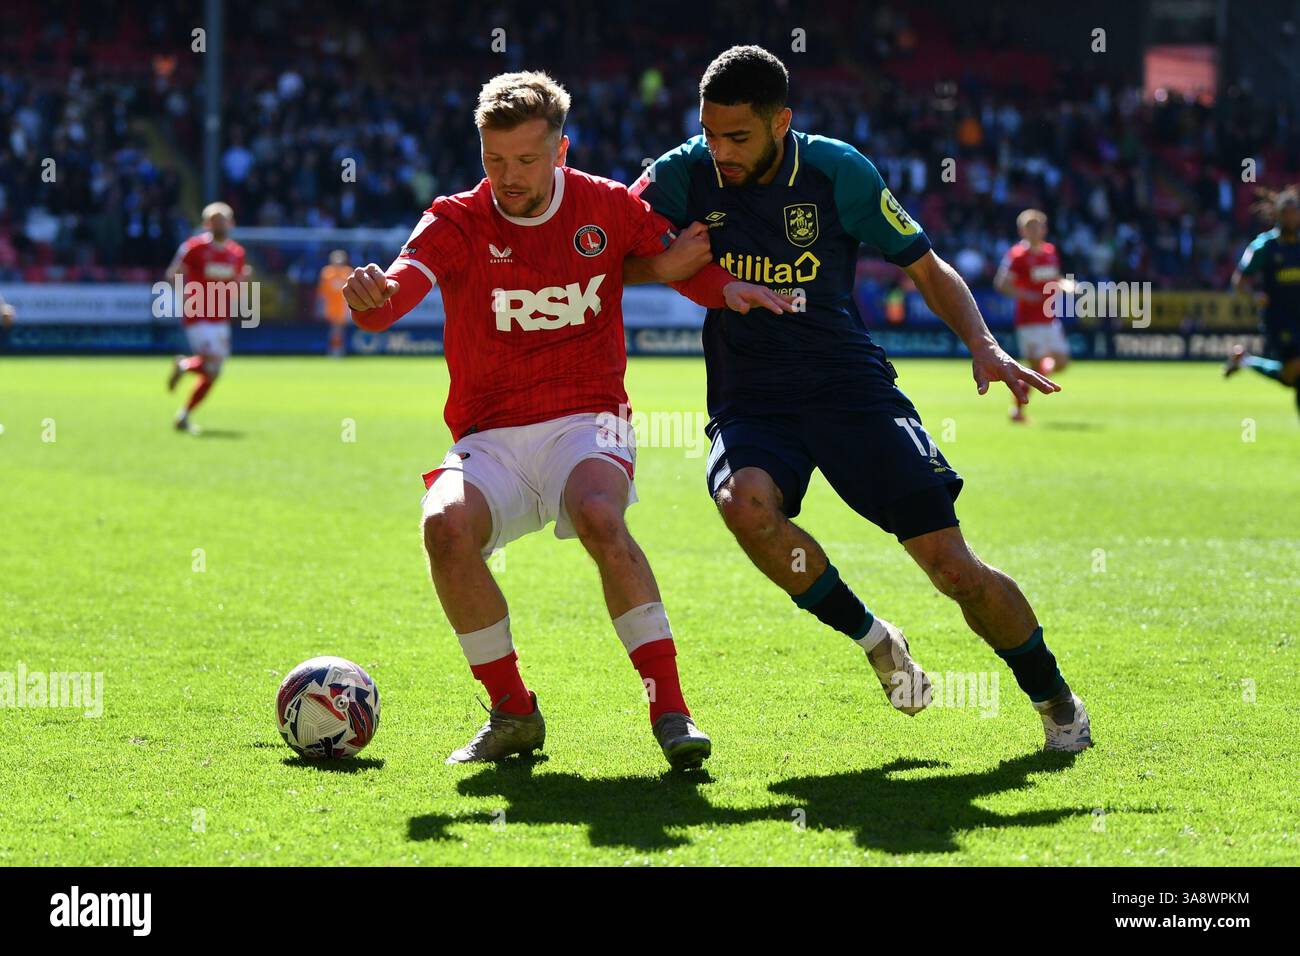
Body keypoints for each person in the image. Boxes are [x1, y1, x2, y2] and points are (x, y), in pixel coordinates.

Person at [629, 46, 1092, 752]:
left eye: (738, 136)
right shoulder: (680, 172)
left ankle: (1054, 697)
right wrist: (660, 264)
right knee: (744, 504)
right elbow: (599, 247)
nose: (719, 150)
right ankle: (876, 639)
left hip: (850, 389)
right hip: (752, 396)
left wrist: (983, 342)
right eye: (710, 131)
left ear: (781, 121)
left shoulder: (837, 171)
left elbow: (925, 265)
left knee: (952, 568)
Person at [344, 71, 790, 769]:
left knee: (600, 515)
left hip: (590, 419)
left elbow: (677, 261)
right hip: (488, 434)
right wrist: (369, 295)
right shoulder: (456, 219)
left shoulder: (604, 205)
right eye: (494, 161)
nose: (509, 177)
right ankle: (513, 712)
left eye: (526, 160)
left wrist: (725, 289)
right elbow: (389, 301)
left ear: (561, 149)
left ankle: (671, 711)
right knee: (443, 526)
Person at [164, 202, 249, 433]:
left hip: (220, 317)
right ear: (206, 224)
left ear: (231, 223)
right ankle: (185, 368)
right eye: (215, 219)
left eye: (224, 219)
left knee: (215, 371)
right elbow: (174, 273)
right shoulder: (194, 248)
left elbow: (237, 283)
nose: (220, 224)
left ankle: (184, 411)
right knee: (211, 363)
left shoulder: (236, 253)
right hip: (198, 314)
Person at [1225, 186, 1300, 419]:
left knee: (1291, 378)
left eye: (1294, 212)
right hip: (1278, 319)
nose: (1290, 217)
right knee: (1297, 367)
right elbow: (1239, 281)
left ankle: (1244, 360)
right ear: (1277, 215)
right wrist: (1254, 296)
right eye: (1286, 213)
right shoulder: (1264, 247)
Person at [994, 209, 1070, 423]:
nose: (1036, 230)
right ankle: (1017, 411)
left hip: (1050, 318)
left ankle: (1040, 372)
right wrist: (1024, 295)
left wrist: (1068, 285)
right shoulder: (1017, 256)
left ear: (1045, 229)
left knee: (1061, 363)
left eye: (1039, 226)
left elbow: (1055, 278)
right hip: (1028, 322)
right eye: (1031, 227)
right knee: (1036, 367)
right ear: (1023, 230)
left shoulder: (1050, 251)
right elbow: (1001, 284)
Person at [317, 249, 353, 357]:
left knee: (338, 330)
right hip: (331, 306)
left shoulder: (347, 272)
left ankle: (337, 349)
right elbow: (322, 293)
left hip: (343, 306)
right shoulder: (327, 273)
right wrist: (321, 306)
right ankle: (335, 349)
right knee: (335, 329)